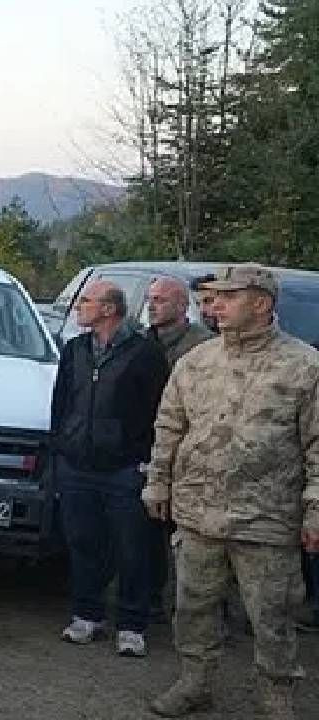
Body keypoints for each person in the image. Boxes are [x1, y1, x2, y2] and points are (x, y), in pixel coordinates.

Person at [144, 265, 319, 720]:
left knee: (272, 615)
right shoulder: (198, 361)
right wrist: (158, 480)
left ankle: (276, 697)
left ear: (261, 303)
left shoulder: (304, 366)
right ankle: (195, 682)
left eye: (229, 297)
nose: (215, 305)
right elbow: (169, 425)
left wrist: (315, 511)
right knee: (193, 606)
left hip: (266, 517)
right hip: (198, 512)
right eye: (213, 298)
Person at [51, 280, 168, 658]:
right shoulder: (74, 350)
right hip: (77, 465)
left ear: (109, 309)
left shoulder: (145, 354)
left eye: (87, 301)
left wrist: (146, 462)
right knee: (83, 542)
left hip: (124, 468)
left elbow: (159, 411)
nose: (79, 306)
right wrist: (61, 449)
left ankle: (132, 625)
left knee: (132, 548)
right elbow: (61, 402)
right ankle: (86, 614)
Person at [143, 276, 215, 621]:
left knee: (194, 535)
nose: (152, 305)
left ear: (181, 305)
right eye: (149, 299)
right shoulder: (142, 342)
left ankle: (205, 610)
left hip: (193, 452)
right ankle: (154, 598)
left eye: (160, 299)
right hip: (152, 445)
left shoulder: (203, 348)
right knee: (151, 530)